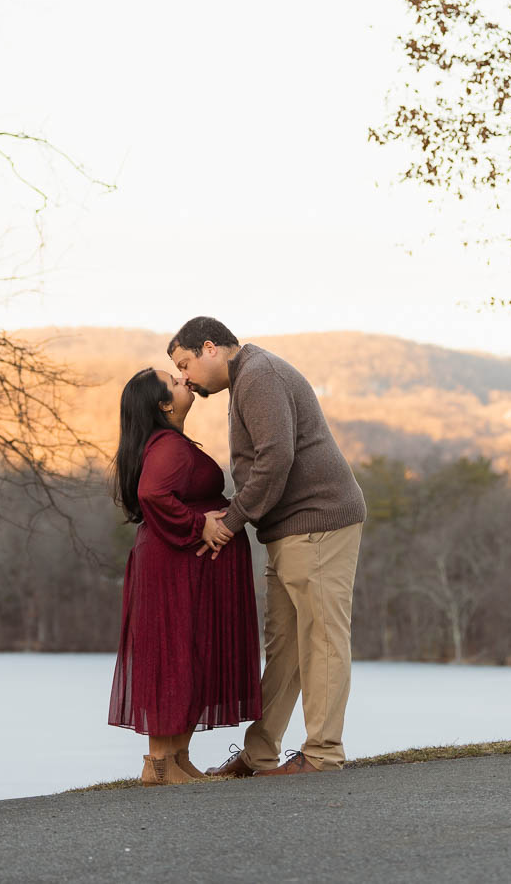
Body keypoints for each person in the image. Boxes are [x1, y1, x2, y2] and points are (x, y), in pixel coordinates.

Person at [169, 317, 367, 777]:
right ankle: (259, 754)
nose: (184, 378)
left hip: (317, 522)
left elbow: (276, 457)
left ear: (210, 347)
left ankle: (322, 754)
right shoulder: (248, 378)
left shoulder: (259, 376)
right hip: (288, 529)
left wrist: (233, 521)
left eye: (185, 364)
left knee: (321, 639)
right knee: (286, 647)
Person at [107, 367, 261, 785]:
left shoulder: (168, 443)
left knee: (190, 654)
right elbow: (152, 494)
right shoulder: (168, 447)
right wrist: (200, 527)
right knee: (174, 653)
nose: (183, 380)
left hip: (183, 567)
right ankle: (157, 764)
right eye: (174, 382)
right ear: (164, 405)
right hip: (174, 568)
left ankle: (177, 760)